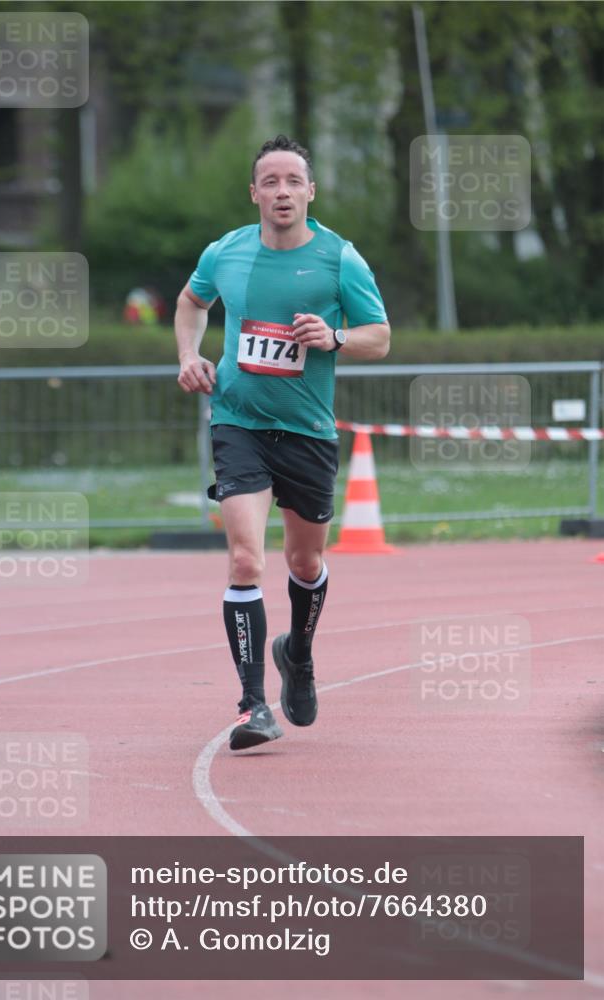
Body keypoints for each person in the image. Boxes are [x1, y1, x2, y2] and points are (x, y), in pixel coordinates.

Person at [174, 135, 390, 751]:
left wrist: (336, 336)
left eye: (292, 180)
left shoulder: (339, 258)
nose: (282, 191)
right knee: (246, 560)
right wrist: (189, 355)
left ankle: (298, 654)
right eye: (270, 181)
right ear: (254, 193)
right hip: (237, 421)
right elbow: (192, 303)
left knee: (305, 563)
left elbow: (381, 336)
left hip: (308, 431)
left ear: (310, 191)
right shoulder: (227, 251)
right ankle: (252, 705)